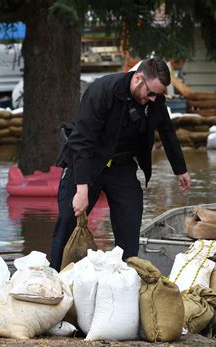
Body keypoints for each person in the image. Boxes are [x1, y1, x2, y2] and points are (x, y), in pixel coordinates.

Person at [51, 58, 191, 271]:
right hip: (88, 161)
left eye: (158, 95)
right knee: (67, 221)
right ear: (138, 78)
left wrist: (180, 169)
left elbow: (167, 132)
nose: (154, 99)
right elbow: (82, 141)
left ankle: (125, 276)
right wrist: (81, 189)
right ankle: (54, 274)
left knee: (130, 219)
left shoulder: (155, 100)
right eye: (151, 93)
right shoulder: (102, 91)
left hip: (121, 165)